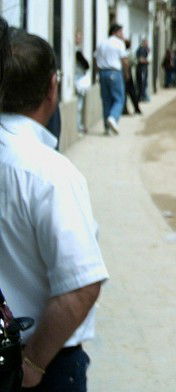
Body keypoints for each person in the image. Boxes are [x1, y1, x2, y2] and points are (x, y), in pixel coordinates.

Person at [0, 29, 108, 390]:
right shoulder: (49, 174)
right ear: (51, 88)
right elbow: (81, 286)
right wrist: (32, 364)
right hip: (41, 363)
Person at [94, 23, 128, 134]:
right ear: (115, 32)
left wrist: (96, 74)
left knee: (106, 100)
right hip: (115, 72)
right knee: (119, 99)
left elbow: (96, 59)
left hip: (103, 73)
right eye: (121, 32)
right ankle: (113, 118)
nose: (123, 34)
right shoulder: (119, 43)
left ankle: (106, 128)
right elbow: (124, 60)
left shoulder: (102, 43)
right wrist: (126, 73)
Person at [122, 39, 142, 117]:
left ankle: (125, 109)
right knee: (132, 93)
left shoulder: (122, 53)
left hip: (122, 75)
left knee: (125, 93)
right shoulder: (129, 54)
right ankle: (136, 109)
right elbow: (134, 62)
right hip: (128, 75)